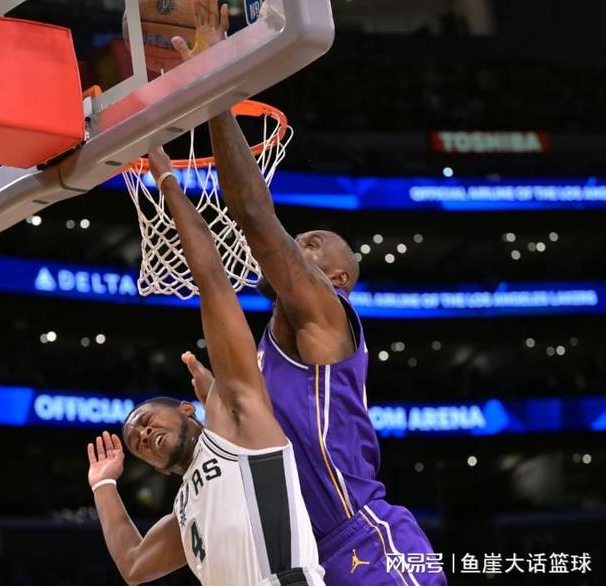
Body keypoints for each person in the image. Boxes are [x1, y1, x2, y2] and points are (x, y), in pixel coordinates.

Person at [171, 2, 447, 584]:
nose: (299, 244)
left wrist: (216, 82)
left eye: (313, 245)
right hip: (311, 552)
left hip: (366, 537)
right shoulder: (268, 352)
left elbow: (253, 214)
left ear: (338, 280)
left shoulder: (325, 310)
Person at [86, 143, 325, 586]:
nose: (143, 435)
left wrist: (167, 182)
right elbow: (133, 566)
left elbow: (212, 279)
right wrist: (103, 485)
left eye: (145, 422)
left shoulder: (237, 420)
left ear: (187, 409)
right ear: (157, 470)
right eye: (138, 444)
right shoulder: (185, 510)